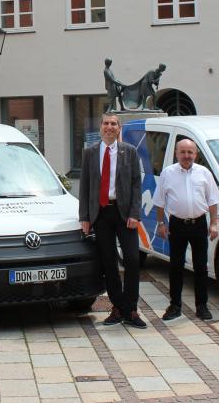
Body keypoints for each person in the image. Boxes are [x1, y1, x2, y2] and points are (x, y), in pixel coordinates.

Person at [79, 113, 146, 329]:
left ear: (119, 128)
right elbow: (85, 186)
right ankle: (117, 308)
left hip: (124, 213)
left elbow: (137, 184)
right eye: (106, 123)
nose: (109, 127)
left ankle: (131, 309)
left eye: (113, 124)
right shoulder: (90, 153)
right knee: (108, 263)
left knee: (133, 260)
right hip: (101, 213)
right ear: (100, 127)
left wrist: (135, 214)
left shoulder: (130, 152)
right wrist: (85, 217)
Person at [153, 139, 219, 321]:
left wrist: (213, 223)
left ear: (195, 154)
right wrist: (160, 223)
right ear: (176, 153)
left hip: (199, 224)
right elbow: (159, 201)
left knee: (200, 267)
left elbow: (213, 200)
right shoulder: (168, 173)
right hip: (177, 225)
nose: (186, 156)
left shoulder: (204, 173)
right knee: (175, 267)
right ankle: (175, 306)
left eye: (190, 152)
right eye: (182, 152)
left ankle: (202, 306)